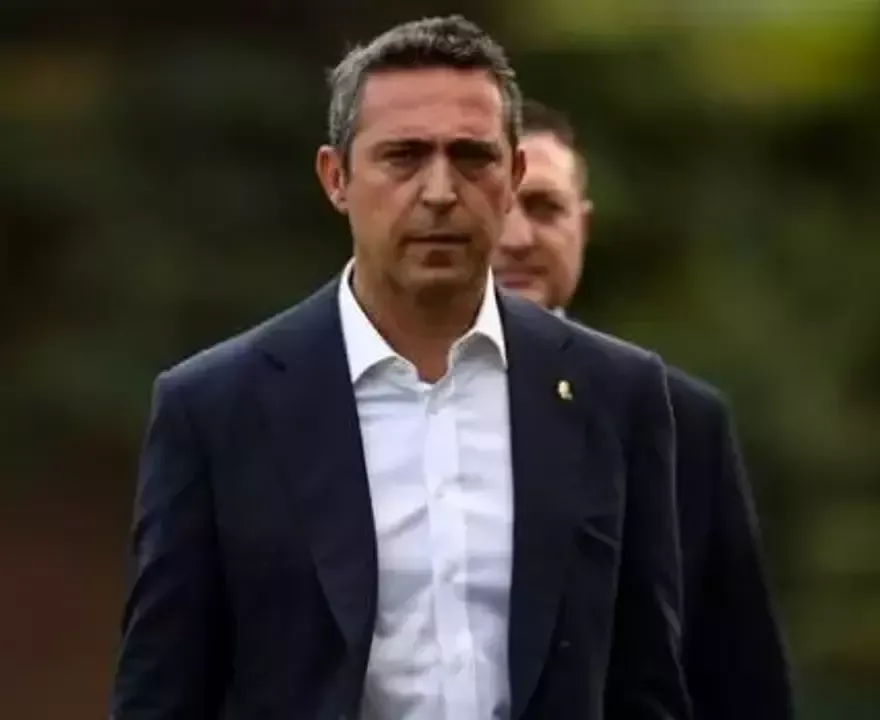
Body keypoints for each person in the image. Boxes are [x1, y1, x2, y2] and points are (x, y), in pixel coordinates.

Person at [110, 17, 690, 720]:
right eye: (404, 157)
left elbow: (647, 684)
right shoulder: (217, 408)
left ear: (513, 176)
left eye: (471, 157)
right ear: (337, 177)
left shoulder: (615, 394)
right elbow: (162, 692)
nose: (440, 190)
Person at [495, 99, 795, 720]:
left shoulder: (683, 420)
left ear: (583, 226)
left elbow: (739, 675)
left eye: (544, 207)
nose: (518, 238)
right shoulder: (359, 397)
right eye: (498, 207)